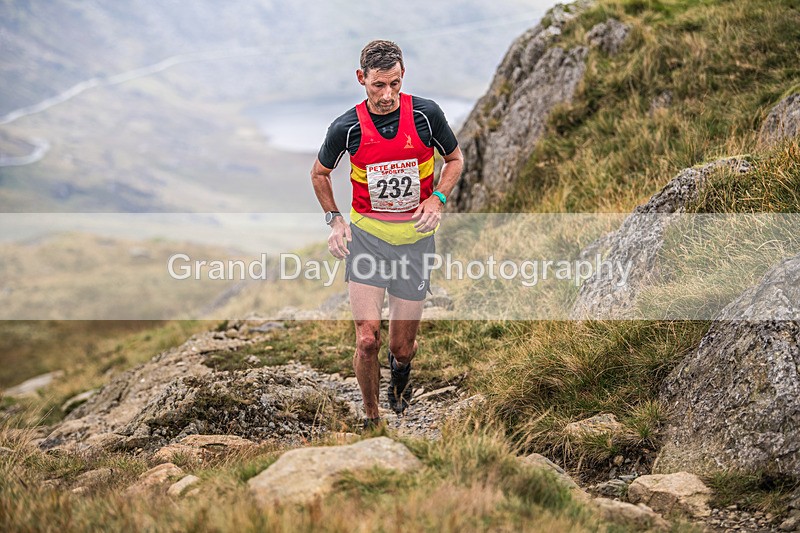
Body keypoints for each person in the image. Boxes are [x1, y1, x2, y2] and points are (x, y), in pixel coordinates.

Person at [310, 40, 463, 430]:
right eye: (378, 85)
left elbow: (455, 159)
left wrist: (437, 199)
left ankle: (399, 375)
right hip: (368, 242)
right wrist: (336, 220)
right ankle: (372, 416)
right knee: (366, 339)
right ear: (361, 79)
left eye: (394, 83)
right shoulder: (346, 127)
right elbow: (319, 173)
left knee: (401, 347)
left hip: (414, 243)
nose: (387, 94)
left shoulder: (426, 116)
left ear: (403, 74)